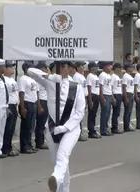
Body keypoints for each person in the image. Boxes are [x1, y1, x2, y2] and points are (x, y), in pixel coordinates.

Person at [27, 60, 85, 192]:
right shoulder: (50, 83)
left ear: (70, 69)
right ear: (54, 69)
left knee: (62, 156)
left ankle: (56, 178)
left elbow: (80, 112)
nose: (64, 69)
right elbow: (30, 72)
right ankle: (63, 189)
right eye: (60, 66)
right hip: (52, 128)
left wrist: (65, 127)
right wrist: (51, 77)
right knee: (59, 162)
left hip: (71, 129)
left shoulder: (77, 87)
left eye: (66, 66)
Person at [18, 62, 39, 154]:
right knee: (26, 126)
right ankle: (24, 146)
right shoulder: (23, 79)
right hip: (27, 103)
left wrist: (38, 105)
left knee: (31, 126)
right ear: (26, 69)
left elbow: (36, 93)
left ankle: (29, 144)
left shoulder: (33, 79)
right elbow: (21, 93)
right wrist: (22, 107)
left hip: (33, 103)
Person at [2, 61, 20, 156]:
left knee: (11, 129)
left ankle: (9, 147)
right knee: (7, 129)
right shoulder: (3, 79)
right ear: (5, 69)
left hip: (14, 105)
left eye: (13, 67)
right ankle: (5, 149)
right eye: (10, 67)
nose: (12, 69)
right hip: (8, 105)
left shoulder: (12, 80)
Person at [69, 61, 88, 141]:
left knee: (80, 117)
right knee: (78, 117)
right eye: (81, 66)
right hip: (80, 98)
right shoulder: (77, 76)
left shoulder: (80, 76)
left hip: (82, 98)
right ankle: (77, 134)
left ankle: (79, 133)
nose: (83, 68)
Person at [35, 61, 49, 149]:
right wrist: (39, 106)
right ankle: (39, 142)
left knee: (43, 123)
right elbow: (37, 93)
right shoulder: (38, 79)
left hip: (45, 101)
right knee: (40, 123)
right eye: (45, 68)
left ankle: (41, 140)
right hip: (41, 101)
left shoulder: (44, 78)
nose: (46, 70)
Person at [99, 61, 115, 136]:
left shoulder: (109, 75)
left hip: (109, 94)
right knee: (104, 113)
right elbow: (100, 86)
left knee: (108, 113)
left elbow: (110, 87)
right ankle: (103, 130)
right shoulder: (102, 75)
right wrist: (101, 96)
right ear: (105, 67)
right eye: (109, 66)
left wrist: (112, 96)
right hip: (104, 95)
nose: (111, 67)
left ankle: (106, 128)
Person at [86, 62, 101, 139]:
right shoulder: (90, 76)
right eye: (95, 67)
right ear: (91, 68)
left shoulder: (96, 76)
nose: (97, 68)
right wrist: (90, 100)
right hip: (92, 95)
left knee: (94, 114)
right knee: (91, 114)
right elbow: (89, 87)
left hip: (97, 95)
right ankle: (91, 131)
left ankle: (93, 129)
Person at [111, 63, 123, 134]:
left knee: (117, 112)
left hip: (119, 94)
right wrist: (113, 97)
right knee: (115, 112)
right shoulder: (113, 76)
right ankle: (114, 127)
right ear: (116, 68)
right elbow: (111, 87)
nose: (120, 69)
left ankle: (115, 126)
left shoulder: (118, 76)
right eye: (119, 68)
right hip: (115, 94)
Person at [122, 63, 135, 132]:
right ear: (127, 68)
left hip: (131, 93)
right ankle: (126, 126)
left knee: (129, 111)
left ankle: (128, 124)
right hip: (128, 94)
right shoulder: (125, 76)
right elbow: (124, 87)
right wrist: (125, 97)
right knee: (127, 111)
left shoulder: (130, 76)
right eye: (131, 67)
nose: (132, 68)